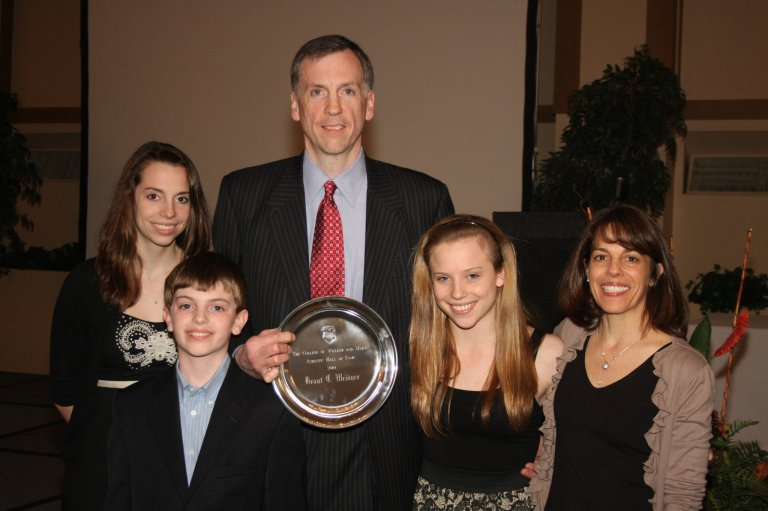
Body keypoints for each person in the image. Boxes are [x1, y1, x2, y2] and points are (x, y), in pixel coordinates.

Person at [213, 35, 454, 510]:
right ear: (295, 106)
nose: (333, 108)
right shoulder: (243, 196)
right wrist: (240, 357)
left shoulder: (423, 200)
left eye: (347, 90)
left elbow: (456, 323)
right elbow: (217, 311)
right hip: (273, 433)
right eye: (316, 91)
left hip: (386, 443)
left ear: (369, 104)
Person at [50, 141, 211, 510]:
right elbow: (66, 392)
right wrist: (114, 442)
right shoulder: (87, 282)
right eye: (154, 195)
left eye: (182, 199)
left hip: (189, 458)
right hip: (104, 461)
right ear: (130, 198)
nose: (169, 212)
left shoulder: (209, 284)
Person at [528, 205, 715, 510]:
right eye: (602, 257)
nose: (613, 270)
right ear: (587, 270)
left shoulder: (685, 370)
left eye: (631, 258)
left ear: (655, 273)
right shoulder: (569, 335)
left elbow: (683, 494)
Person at [104, 252, 306, 510]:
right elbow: (119, 499)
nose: (199, 318)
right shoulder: (130, 406)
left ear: (239, 321)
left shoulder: (271, 411)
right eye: (186, 305)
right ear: (168, 317)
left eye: (217, 307)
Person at [408, 215, 563, 510]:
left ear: (501, 274)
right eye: (443, 278)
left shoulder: (546, 354)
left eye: (472, 275)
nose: (457, 292)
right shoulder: (418, 349)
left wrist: (553, 459)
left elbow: (582, 441)